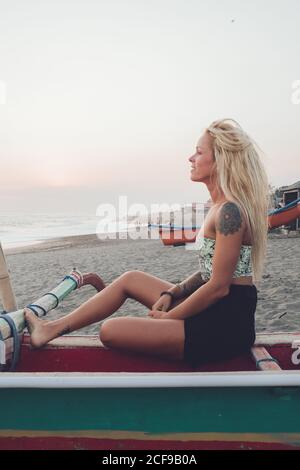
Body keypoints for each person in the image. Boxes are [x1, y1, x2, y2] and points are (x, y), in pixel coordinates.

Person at [24, 118, 270, 367]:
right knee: (130, 279)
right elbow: (211, 271)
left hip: (225, 325)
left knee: (110, 330)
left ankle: (55, 329)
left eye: (198, 152)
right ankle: (51, 328)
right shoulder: (218, 207)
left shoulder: (230, 212)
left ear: (220, 161)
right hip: (214, 308)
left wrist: (170, 318)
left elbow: (219, 286)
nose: (190, 158)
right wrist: (173, 291)